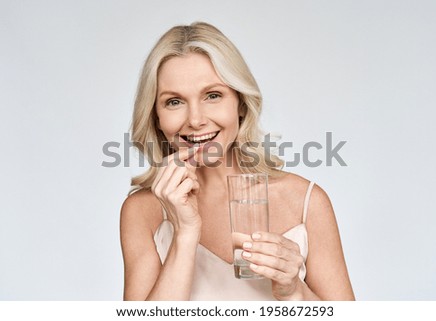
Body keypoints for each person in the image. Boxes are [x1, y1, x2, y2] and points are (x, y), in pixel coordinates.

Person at [120, 22, 355, 301]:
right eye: (174, 102)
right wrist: (184, 235)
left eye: (213, 95)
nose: (195, 120)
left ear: (240, 103)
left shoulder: (305, 201)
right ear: (156, 117)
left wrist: (294, 290)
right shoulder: (143, 212)